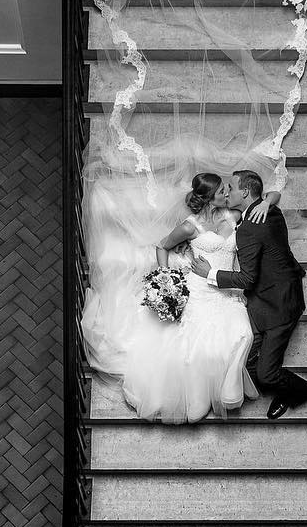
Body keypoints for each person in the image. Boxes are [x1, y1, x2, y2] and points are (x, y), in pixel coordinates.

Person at [118, 172, 281, 424]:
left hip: (228, 291)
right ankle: (200, 396)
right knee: (200, 349)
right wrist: (167, 278)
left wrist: (266, 202)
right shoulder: (189, 226)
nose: (227, 194)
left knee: (243, 335)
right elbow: (162, 246)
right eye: (221, 192)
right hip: (200, 291)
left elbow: (271, 194)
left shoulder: (234, 215)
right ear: (207, 198)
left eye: (227, 190)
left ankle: (228, 391)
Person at [189, 169, 307, 435]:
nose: (227, 192)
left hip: (280, 306)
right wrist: (268, 200)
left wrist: (208, 273)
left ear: (244, 192)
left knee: (265, 373)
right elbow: (271, 195)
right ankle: (287, 392)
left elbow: (246, 279)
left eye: (231, 187)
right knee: (242, 358)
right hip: (265, 300)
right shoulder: (268, 210)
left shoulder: (248, 229)